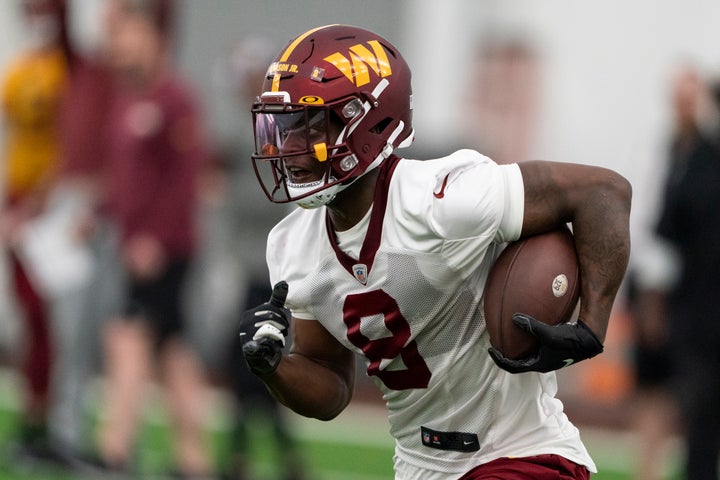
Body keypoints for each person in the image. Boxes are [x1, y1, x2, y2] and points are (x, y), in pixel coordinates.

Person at [238, 24, 631, 480]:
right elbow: (331, 386)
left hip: (521, 453)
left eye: (307, 126)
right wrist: (274, 367)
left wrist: (592, 324)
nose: (287, 148)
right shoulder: (291, 247)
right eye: (281, 128)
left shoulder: (442, 199)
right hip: (419, 466)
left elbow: (604, 192)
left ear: (366, 121)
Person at [90, 0, 214, 476]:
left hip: (165, 250)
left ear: (155, 37)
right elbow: (124, 178)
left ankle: (114, 448)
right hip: (131, 244)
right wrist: (99, 213)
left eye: (129, 34)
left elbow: (184, 181)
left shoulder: (176, 100)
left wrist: (155, 239)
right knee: (174, 352)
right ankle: (193, 459)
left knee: (126, 338)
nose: (119, 45)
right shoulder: (124, 99)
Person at [0, 0, 70, 464]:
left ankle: (55, 424)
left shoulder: (69, 74)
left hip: (56, 208)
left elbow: (73, 142)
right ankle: (36, 420)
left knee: (57, 321)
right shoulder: (21, 73)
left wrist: (41, 203)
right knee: (33, 320)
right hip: (20, 202)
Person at [655, 68, 720, 480]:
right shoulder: (695, 158)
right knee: (702, 424)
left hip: (701, 312)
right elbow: (666, 229)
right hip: (702, 315)